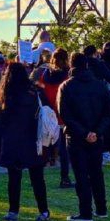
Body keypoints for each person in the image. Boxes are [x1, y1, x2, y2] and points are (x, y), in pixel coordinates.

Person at [59, 53, 110, 221]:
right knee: (96, 173)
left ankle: (85, 212)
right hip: (96, 136)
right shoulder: (100, 86)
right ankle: (101, 208)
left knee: (81, 174)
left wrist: (85, 133)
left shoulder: (67, 86)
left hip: (76, 136)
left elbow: (65, 114)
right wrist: (96, 132)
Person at [0, 63, 50, 221]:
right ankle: (44, 210)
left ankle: (13, 210)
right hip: (33, 137)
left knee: (14, 178)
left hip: (13, 138)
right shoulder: (34, 91)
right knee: (37, 177)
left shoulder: (5, 93)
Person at [38, 49, 74, 188]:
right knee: (64, 149)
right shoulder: (68, 75)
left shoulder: (45, 74)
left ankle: (38, 177)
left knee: (45, 146)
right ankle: (64, 178)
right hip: (62, 113)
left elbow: (40, 89)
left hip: (48, 113)